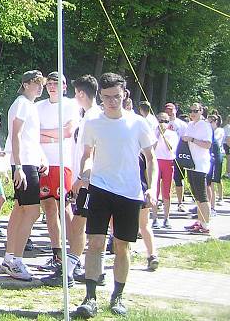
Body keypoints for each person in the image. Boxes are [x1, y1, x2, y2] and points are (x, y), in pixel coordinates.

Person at [72, 73, 156, 319]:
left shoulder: (138, 123)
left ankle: (118, 296)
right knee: (95, 243)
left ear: (124, 95)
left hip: (129, 191)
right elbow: (87, 153)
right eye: (107, 97)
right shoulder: (93, 121)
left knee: (122, 246)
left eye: (116, 97)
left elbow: (150, 159)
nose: (112, 102)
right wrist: (84, 173)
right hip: (100, 187)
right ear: (100, 96)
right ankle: (90, 297)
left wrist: (150, 187)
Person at [1, 69, 47, 282]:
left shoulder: (31, 106)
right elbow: (16, 135)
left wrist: (41, 157)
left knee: (20, 210)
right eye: (36, 83)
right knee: (32, 211)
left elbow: (31, 138)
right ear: (26, 84)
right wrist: (18, 165)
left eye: (42, 84)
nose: (40, 87)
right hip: (23, 164)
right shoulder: (21, 103)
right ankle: (16, 259)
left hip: (30, 161)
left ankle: (10, 256)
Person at [37, 72, 80, 275]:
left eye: (56, 84)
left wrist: (50, 135)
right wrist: (55, 135)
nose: (52, 87)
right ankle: (57, 253)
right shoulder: (39, 107)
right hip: (43, 162)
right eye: (49, 84)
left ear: (64, 86)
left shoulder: (71, 105)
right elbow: (33, 134)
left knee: (65, 206)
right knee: (48, 207)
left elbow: (68, 132)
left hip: (63, 162)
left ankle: (74, 255)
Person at [68, 75, 101, 286]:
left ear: (81, 93)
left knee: (79, 222)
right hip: (84, 178)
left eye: (76, 93)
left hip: (90, 180)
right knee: (80, 222)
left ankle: (71, 269)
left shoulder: (93, 117)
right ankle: (94, 270)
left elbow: (93, 151)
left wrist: (82, 178)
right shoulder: (87, 116)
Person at [183, 103, 212, 235]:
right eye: (191, 110)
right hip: (191, 164)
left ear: (201, 111)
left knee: (202, 195)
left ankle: (206, 226)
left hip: (200, 164)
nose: (193, 113)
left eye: (195, 110)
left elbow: (207, 144)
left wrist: (192, 139)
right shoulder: (190, 124)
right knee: (196, 196)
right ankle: (200, 222)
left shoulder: (204, 125)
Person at [151, 113, 178, 229]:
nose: (163, 123)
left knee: (166, 191)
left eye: (166, 121)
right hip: (156, 161)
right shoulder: (153, 133)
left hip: (168, 162)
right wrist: (157, 136)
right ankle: (155, 217)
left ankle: (166, 218)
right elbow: (152, 148)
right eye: (161, 121)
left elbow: (170, 148)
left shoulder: (172, 134)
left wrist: (164, 134)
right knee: (155, 191)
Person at [164, 103, 188, 211]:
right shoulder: (163, 123)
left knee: (179, 178)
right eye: (167, 110)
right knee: (164, 179)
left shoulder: (182, 124)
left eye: (171, 109)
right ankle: (163, 200)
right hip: (165, 154)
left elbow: (185, 139)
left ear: (175, 110)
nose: (169, 112)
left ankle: (180, 202)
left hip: (178, 153)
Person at [208, 114, 224, 208]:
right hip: (209, 158)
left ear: (215, 122)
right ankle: (205, 204)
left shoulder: (218, 131)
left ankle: (212, 207)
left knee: (213, 182)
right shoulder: (209, 131)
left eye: (210, 122)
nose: (208, 124)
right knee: (208, 183)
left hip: (216, 157)